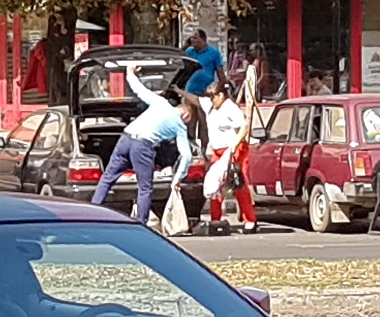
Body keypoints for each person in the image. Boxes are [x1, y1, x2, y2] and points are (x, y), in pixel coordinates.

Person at [92, 65, 195, 224]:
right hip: (142, 146)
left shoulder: (160, 102)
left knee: (107, 178)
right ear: (186, 115)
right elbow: (187, 156)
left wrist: (130, 73)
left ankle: (93, 212)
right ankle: (140, 222)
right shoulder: (180, 126)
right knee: (145, 188)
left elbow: (140, 90)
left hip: (125, 139)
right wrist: (178, 178)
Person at [201, 79, 257, 233]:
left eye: (213, 97)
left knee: (238, 183)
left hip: (233, 150)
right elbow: (196, 100)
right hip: (217, 151)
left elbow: (244, 127)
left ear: (221, 95)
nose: (211, 100)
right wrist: (179, 91)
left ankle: (250, 220)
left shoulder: (230, 108)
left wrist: (234, 145)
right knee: (215, 185)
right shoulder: (210, 107)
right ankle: (215, 219)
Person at [184, 29, 224, 95]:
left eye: (195, 38)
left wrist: (219, 88)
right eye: (191, 38)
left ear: (203, 38)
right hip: (190, 91)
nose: (192, 40)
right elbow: (176, 59)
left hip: (206, 91)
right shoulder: (189, 52)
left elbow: (221, 74)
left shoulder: (214, 52)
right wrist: (185, 45)